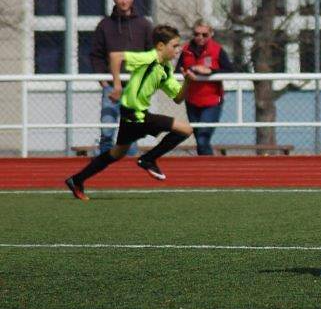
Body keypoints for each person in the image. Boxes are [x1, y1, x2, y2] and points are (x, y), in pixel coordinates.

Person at [65, 25, 197, 201]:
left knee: (117, 153)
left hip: (134, 114)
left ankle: (77, 180)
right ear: (160, 46)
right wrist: (117, 85)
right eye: (174, 46)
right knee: (186, 130)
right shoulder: (149, 58)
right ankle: (148, 160)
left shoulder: (165, 69)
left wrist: (188, 82)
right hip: (135, 114)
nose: (178, 50)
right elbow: (115, 57)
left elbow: (178, 98)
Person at [89, 0, 153, 156]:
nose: (123, 1)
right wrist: (102, 78)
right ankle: (102, 165)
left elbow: (152, 54)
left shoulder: (144, 25)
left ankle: (129, 173)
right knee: (107, 129)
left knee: (130, 133)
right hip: (111, 87)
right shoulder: (105, 25)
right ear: (114, 0)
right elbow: (96, 54)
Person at [176, 19, 234, 155]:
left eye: (204, 35)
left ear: (211, 34)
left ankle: (210, 168)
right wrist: (186, 72)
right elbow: (177, 71)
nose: (200, 38)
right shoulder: (186, 50)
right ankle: (202, 168)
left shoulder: (217, 50)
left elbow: (230, 70)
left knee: (203, 137)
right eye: (196, 34)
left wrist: (210, 71)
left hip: (212, 101)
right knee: (198, 138)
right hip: (192, 101)